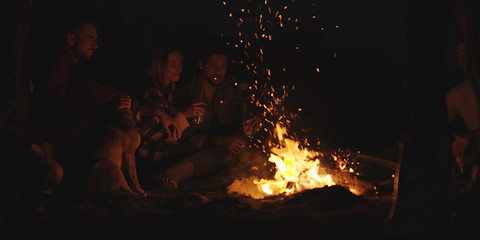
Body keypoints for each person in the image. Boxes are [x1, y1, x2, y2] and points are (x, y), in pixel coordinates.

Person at [32, 18, 142, 195]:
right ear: (71, 39)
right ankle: (104, 180)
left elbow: (90, 88)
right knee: (110, 120)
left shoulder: (69, 62)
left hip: (56, 131)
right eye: (90, 38)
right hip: (51, 134)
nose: (96, 45)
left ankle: (108, 177)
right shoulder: (59, 59)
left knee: (115, 114)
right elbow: (57, 107)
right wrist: (105, 108)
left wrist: (124, 99)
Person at [156, 46, 263, 187]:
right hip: (190, 148)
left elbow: (247, 106)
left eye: (223, 66)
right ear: (201, 65)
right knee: (212, 154)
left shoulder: (230, 88)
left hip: (225, 148)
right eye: (213, 66)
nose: (219, 72)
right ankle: (170, 175)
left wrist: (257, 118)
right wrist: (220, 141)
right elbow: (186, 134)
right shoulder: (187, 91)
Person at [135, 47, 205, 189]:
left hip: (166, 148)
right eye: (173, 65)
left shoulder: (172, 90)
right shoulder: (152, 90)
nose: (178, 69)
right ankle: (161, 178)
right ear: (160, 66)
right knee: (198, 154)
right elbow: (150, 131)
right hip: (151, 154)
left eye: (180, 65)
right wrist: (184, 115)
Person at [445, 38, 480, 194]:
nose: (462, 60)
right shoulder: (459, 93)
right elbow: (436, 124)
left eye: (466, 55)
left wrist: (472, 135)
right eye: (458, 55)